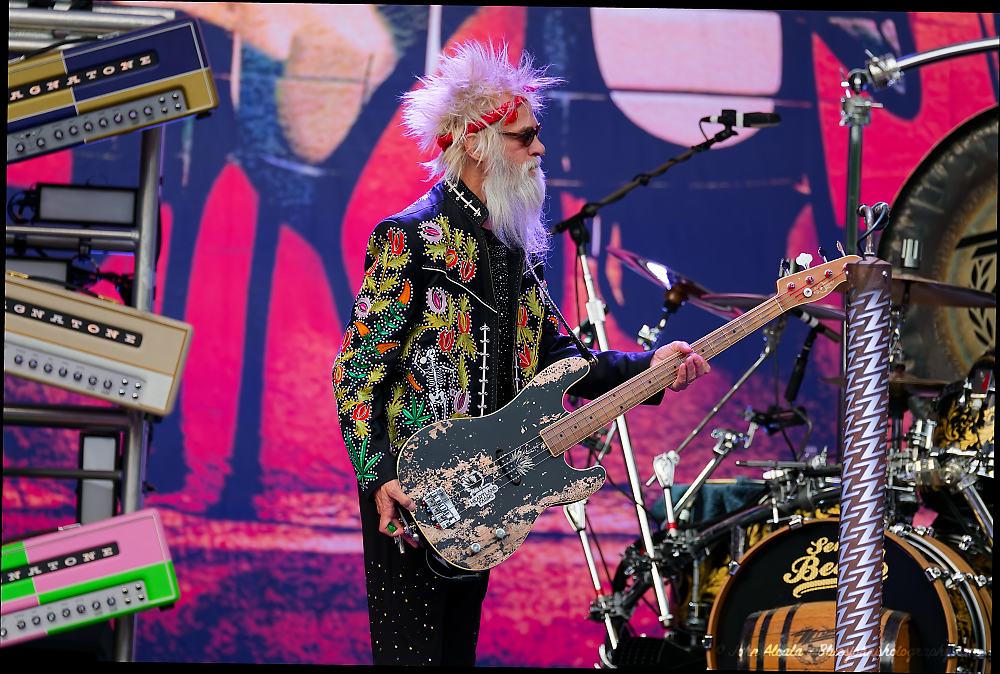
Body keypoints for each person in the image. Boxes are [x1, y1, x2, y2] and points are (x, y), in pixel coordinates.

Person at [332, 41, 710, 666]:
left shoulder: (508, 250)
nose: (539, 149)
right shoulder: (408, 238)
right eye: (523, 136)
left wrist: (652, 366)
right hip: (410, 492)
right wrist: (379, 477)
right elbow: (357, 374)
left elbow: (564, 357)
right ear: (477, 145)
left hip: (485, 491)